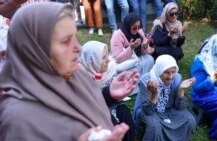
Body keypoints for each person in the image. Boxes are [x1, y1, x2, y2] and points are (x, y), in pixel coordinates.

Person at [0, 2, 130, 141]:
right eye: (66, 41)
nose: (78, 48)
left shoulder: (74, 76)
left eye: (75, 37)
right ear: (35, 49)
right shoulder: (19, 120)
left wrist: (108, 94)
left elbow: (81, 103)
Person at [79, 40, 139, 141]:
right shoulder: (82, 80)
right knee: (112, 121)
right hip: (94, 114)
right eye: (103, 57)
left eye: (107, 56)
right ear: (92, 60)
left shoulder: (109, 70)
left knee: (125, 111)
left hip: (109, 104)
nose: (108, 60)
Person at [134, 54, 197, 141]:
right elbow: (148, 111)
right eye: (167, 72)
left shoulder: (177, 79)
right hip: (150, 110)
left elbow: (180, 107)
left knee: (190, 120)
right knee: (155, 127)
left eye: (173, 72)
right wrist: (154, 94)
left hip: (170, 109)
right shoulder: (146, 80)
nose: (171, 76)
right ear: (160, 70)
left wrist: (181, 89)